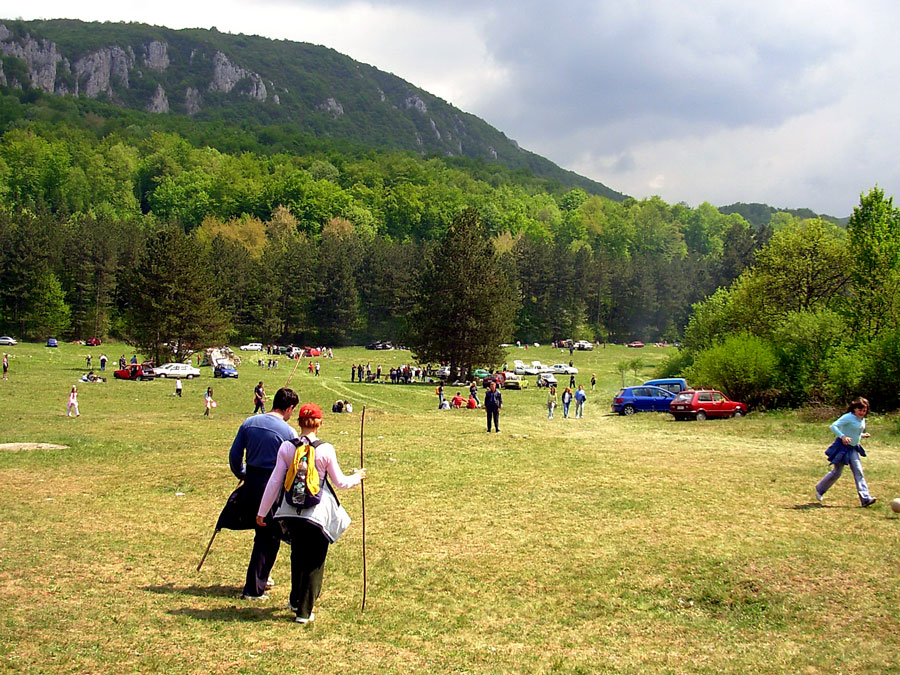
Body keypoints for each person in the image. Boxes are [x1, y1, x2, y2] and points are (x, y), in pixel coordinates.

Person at [255, 402, 365, 623]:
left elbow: (275, 481)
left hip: (290, 514)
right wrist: (358, 476)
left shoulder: (287, 447)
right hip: (316, 515)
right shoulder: (325, 449)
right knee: (314, 561)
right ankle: (304, 612)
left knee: (297, 555)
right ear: (319, 424)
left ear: (299, 423)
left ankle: (295, 600)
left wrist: (262, 511)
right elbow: (340, 482)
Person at [230, 388, 300, 600]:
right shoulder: (289, 433)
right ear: (289, 408)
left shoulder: (249, 423)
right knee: (268, 536)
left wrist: (242, 473)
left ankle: (263, 576)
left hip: (250, 481)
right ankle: (253, 589)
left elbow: (235, 455)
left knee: (262, 533)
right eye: (292, 411)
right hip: (271, 486)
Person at [816, 398, 877, 507]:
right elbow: (833, 426)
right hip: (842, 448)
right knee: (837, 472)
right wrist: (843, 436)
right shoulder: (848, 417)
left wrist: (862, 435)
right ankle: (820, 489)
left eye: (864, 410)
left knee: (858, 472)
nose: (862, 413)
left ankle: (865, 499)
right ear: (854, 409)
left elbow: (854, 432)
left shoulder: (861, 419)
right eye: (860, 410)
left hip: (853, 448)